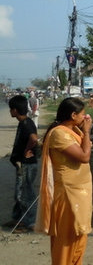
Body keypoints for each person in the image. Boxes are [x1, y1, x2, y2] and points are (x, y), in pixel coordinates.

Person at [35, 97, 93, 265]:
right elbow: (84, 156)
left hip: (81, 192)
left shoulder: (72, 131)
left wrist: (83, 133)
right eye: (82, 114)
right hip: (68, 193)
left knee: (80, 234)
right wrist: (86, 131)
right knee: (65, 238)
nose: (84, 117)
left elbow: (86, 149)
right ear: (73, 115)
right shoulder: (59, 134)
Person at [6, 95, 39, 233]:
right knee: (19, 193)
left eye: (10, 109)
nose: (10, 112)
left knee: (25, 194)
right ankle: (18, 218)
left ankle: (29, 223)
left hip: (27, 164)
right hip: (22, 164)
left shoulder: (27, 124)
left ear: (15, 110)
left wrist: (27, 150)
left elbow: (34, 139)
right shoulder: (23, 123)